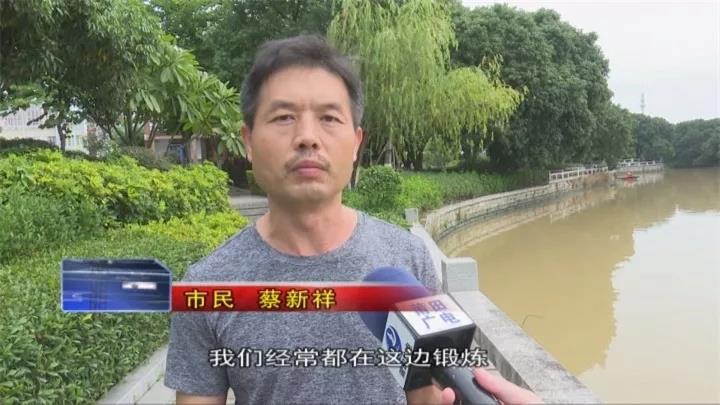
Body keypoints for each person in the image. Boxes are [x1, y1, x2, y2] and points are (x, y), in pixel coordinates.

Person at [164, 34, 541, 405]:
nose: (307, 137)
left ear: (357, 142)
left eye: (329, 118)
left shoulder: (407, 259)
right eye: (283, 117)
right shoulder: (206, 287)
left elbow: (425, 396)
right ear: (248, 141)